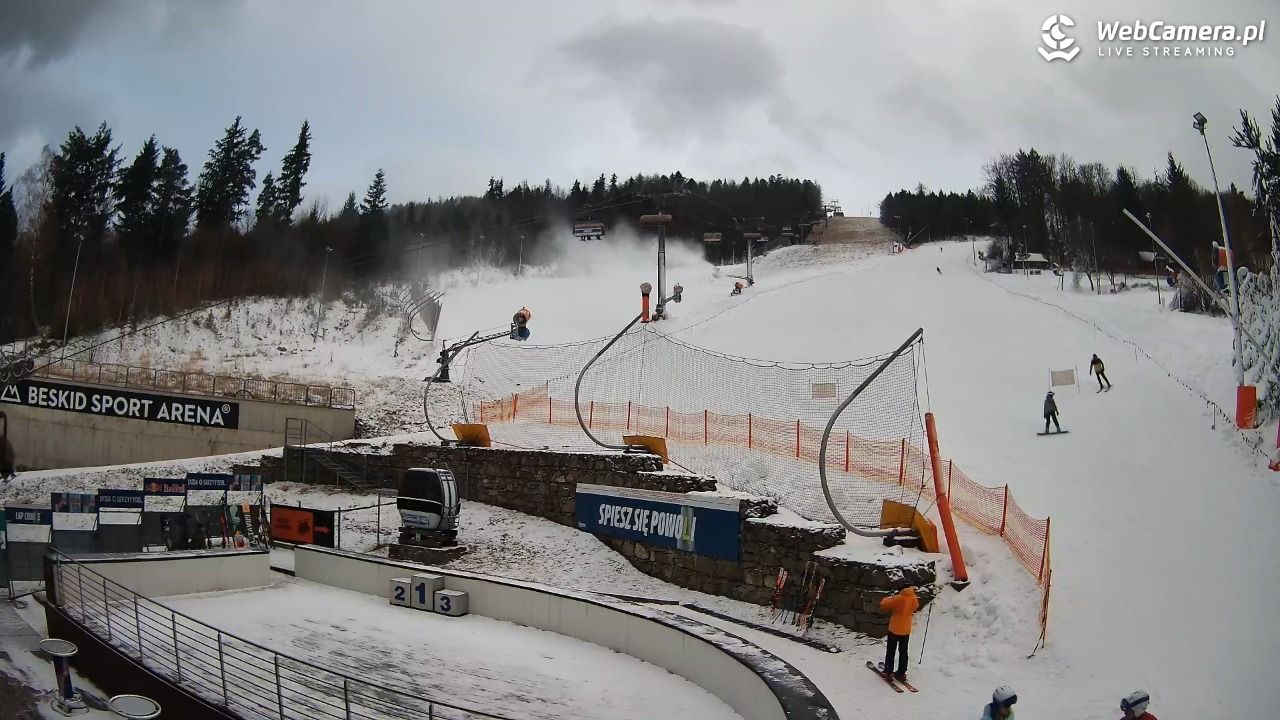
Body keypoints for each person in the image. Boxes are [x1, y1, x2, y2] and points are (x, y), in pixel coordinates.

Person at [878, 585, 919, 682]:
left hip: (894, 629)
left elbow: (884, 604)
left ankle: (888, 672)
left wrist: (889, 597)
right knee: (903, 652)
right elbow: (915, 607)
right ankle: (901, 673)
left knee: (891, 651)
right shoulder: (913, 597)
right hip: (906, 629)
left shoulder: (897, 599)